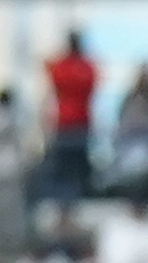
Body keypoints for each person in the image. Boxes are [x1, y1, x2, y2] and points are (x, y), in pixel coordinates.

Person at [42, 28, 99, 203]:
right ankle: (66, 210)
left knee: (70, 171)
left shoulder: (62, 67)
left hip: (72, 124)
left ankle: (69, 210)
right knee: (68, 171)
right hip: (70, 124)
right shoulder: (85, 67)